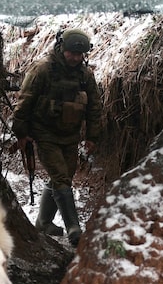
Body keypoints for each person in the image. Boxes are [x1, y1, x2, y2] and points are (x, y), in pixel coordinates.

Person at [11, 28, 103, 246]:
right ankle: (74, 228)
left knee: (63, 178)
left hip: (70, 135)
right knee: (61, 177)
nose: (75, 58)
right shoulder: (42, 70)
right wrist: (22, 133)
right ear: (62, 48)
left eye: (79, 55)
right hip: (45, 134)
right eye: (72, 53)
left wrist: (92, 136)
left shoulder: (84, 75)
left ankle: (43, 221)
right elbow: (24, 102)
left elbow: (94, 108)